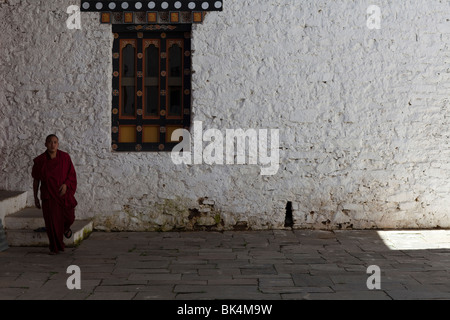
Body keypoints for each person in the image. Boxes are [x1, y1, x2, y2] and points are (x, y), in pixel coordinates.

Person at [32, 134, 77, 255]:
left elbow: (71, 174)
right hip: (49, 195)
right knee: (52, 223)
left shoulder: (65, 157)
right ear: (45, 144)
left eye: (55, 142)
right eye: (50, 142)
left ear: (58, 144)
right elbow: (36, 180)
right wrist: (35, 196)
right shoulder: (40, 161)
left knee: (70, 217)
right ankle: (55, 247)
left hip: (63, 194)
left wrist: (66, 184)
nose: (52, 144)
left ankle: (65, 228)